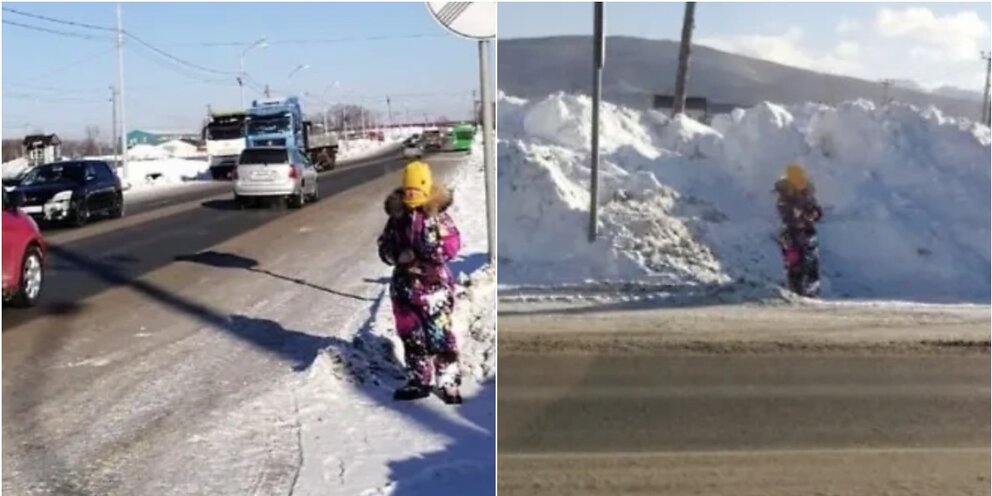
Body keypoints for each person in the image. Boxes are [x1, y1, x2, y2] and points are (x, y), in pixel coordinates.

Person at [377, 160, 463, 404]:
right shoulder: (396, 218)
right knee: (411, 336)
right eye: (408, 191)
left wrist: (428, 252)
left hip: (434, 286)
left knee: (439, 335)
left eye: (416, 191)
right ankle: (418, 379)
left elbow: (453, 246)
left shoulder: (438, 218)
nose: (412, 196)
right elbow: (384, 248)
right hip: (404, 288)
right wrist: (397, 255)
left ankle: (448, 382)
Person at [774, 163, 823, 297]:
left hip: (807, 232)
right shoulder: (784, 196)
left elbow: (817, 210)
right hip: (791, 233)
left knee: (811, 261)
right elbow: (785, 214)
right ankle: (796, 292)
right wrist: (800, 219)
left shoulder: (806, 193)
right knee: (795, 263)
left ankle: (812, 291)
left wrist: (813, 214)